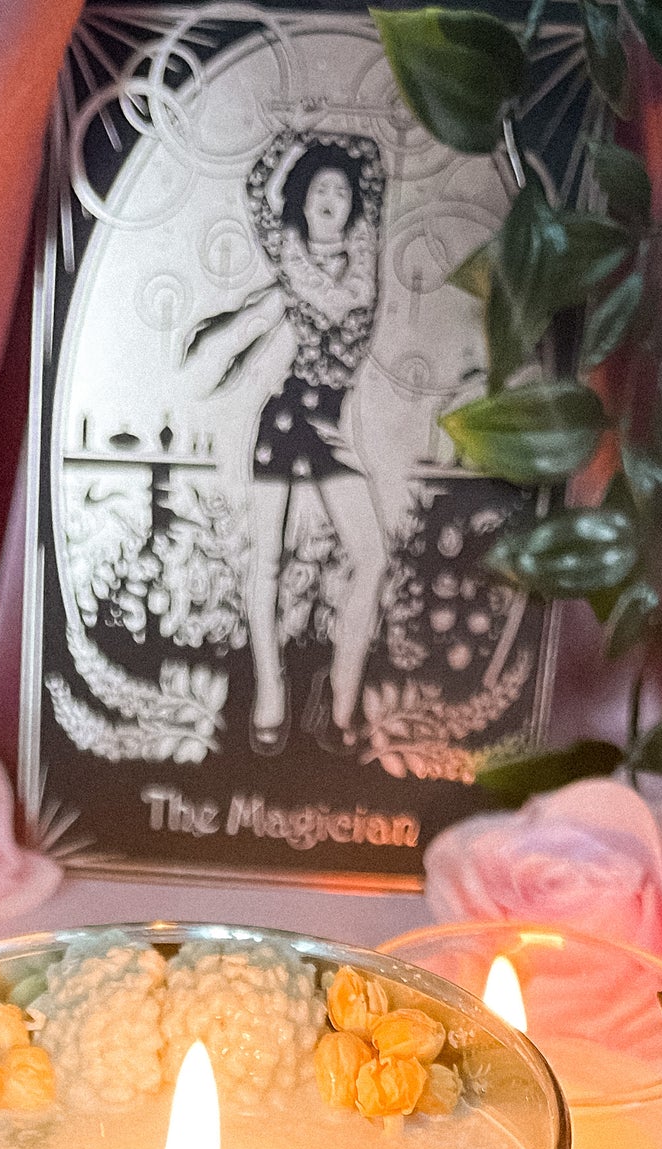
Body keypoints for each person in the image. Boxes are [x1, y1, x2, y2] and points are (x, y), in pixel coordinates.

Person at [202, 132, 388, 754]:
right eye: (318, 189)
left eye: (341, 190)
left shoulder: (365, 258)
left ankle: (340, 702)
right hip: (284, 420)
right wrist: (291, 137)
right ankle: (270, 694)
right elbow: (258, 187)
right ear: (301, 205)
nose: (331, 198)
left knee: (372, 557)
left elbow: (373, 166)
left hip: (328, 426)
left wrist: (329, 140)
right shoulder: (289, 259)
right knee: (267, 561)